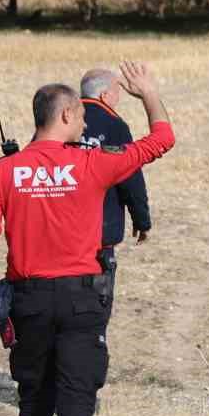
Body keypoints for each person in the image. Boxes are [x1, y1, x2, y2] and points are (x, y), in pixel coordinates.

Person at [0, 62, 175, 416]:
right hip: (83, 298)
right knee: (77, 392)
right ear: (68, 115)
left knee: (35, 395)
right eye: (81, 115)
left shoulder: (3, 172)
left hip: (29, 301)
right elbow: (162, 140)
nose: (86, 123)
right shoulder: (92, 164)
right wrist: (149, 93)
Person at [79, 68, 152, 294]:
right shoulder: (114, 125)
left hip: (57, 235)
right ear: (104, 96)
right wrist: (142, 220)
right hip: (100, 235)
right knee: (95, 306)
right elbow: (130, 177)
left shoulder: (60, 119)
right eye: (117, 91)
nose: (119, 97)